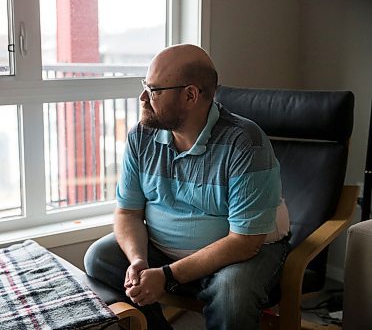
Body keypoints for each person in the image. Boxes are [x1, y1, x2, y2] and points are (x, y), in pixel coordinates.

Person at [84, 44, 290, 330]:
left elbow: (245, 242)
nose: (143, 97)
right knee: (100, 258)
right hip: (163, 251)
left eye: (154, 90)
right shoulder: (141, 137)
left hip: (240, 254)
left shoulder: (245, 143)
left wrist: (167, 275)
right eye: (145, 86)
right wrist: (139, 261)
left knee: (232, 297)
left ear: (190, 95)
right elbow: (128, 213)